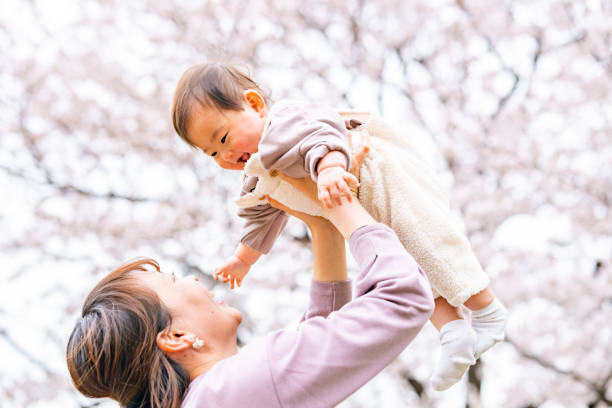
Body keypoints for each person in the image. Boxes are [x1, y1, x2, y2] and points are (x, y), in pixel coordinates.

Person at [170, 62, 508, 390]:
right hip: (357, 206)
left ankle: (487, 310)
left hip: (384, 181)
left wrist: (330, 168)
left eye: (224, 138)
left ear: (255, 105)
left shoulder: (285, 122)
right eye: (212, 153)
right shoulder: (257, 173)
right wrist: (244, 259)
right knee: (408, 261)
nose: (225, 157)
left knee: (429, 243)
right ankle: (452, 331)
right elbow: (260, 216)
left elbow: (325, 133)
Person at [66, 169, 435, 408]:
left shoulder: (216, 397)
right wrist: (341, 205)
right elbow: (402, 298)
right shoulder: (232, 390)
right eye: (175, 281)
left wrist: (322, 229)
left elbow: (318, 352)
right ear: (176, 336)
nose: (194, 280)